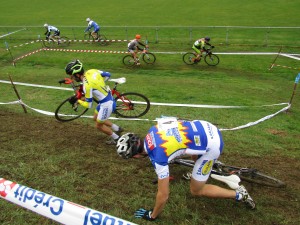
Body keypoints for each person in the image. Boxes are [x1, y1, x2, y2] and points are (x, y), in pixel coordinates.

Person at [116, 117, 256, 222]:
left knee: (196, 190)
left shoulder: (158, 157)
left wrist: (152, 215)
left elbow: (163, 195)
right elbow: (178, 120)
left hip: (213, 145)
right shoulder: (152, 130)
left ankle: (239, 194)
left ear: (135, 156)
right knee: (186, 145)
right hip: (204, 126)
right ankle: (201, 167)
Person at [65, 59, 123, 145]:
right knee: (95, 118)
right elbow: (108, 75)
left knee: (98, 126)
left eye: (72, 76)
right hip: (107, 98)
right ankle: (118, 128)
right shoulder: (91, 71)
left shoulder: (87, 86)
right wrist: (100, 83)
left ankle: (117, 138)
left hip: (107, 105)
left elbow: (89, 105)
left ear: (77, 74)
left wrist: (78, 101)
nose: (71, 78)